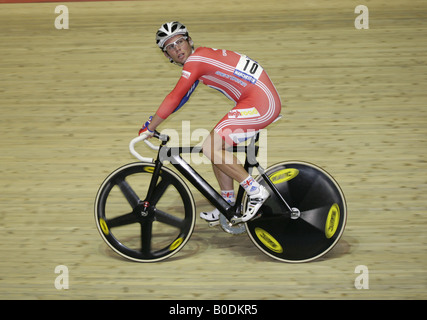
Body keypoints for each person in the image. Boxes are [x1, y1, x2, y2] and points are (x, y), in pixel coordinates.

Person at [139, 21, 282, 223]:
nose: (177, 48)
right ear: (166, 55)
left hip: (261, 102)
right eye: (170, 46)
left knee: (210, 147)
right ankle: (228, 205)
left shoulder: (196, 61)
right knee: (215, 145)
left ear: (190, 41)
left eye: (180, 41)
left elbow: (174, 97)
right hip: (257, 100)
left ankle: (255, 190)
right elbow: (182, 98)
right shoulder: (200, 59)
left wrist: (150, 128)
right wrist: (151, 122)